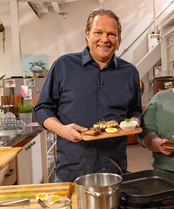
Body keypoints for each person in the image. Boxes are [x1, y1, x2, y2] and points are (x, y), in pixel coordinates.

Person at [34, 7, 142, 182]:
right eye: (98, 32)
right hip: (71, 169)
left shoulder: (130, 72)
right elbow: (42, 108)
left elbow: (135, 111)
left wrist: (134, 121)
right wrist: (62, 130)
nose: (105, 39)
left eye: (112, 34)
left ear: (119, 38)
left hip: (113, 170)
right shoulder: (63, 65)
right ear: (87, 35)